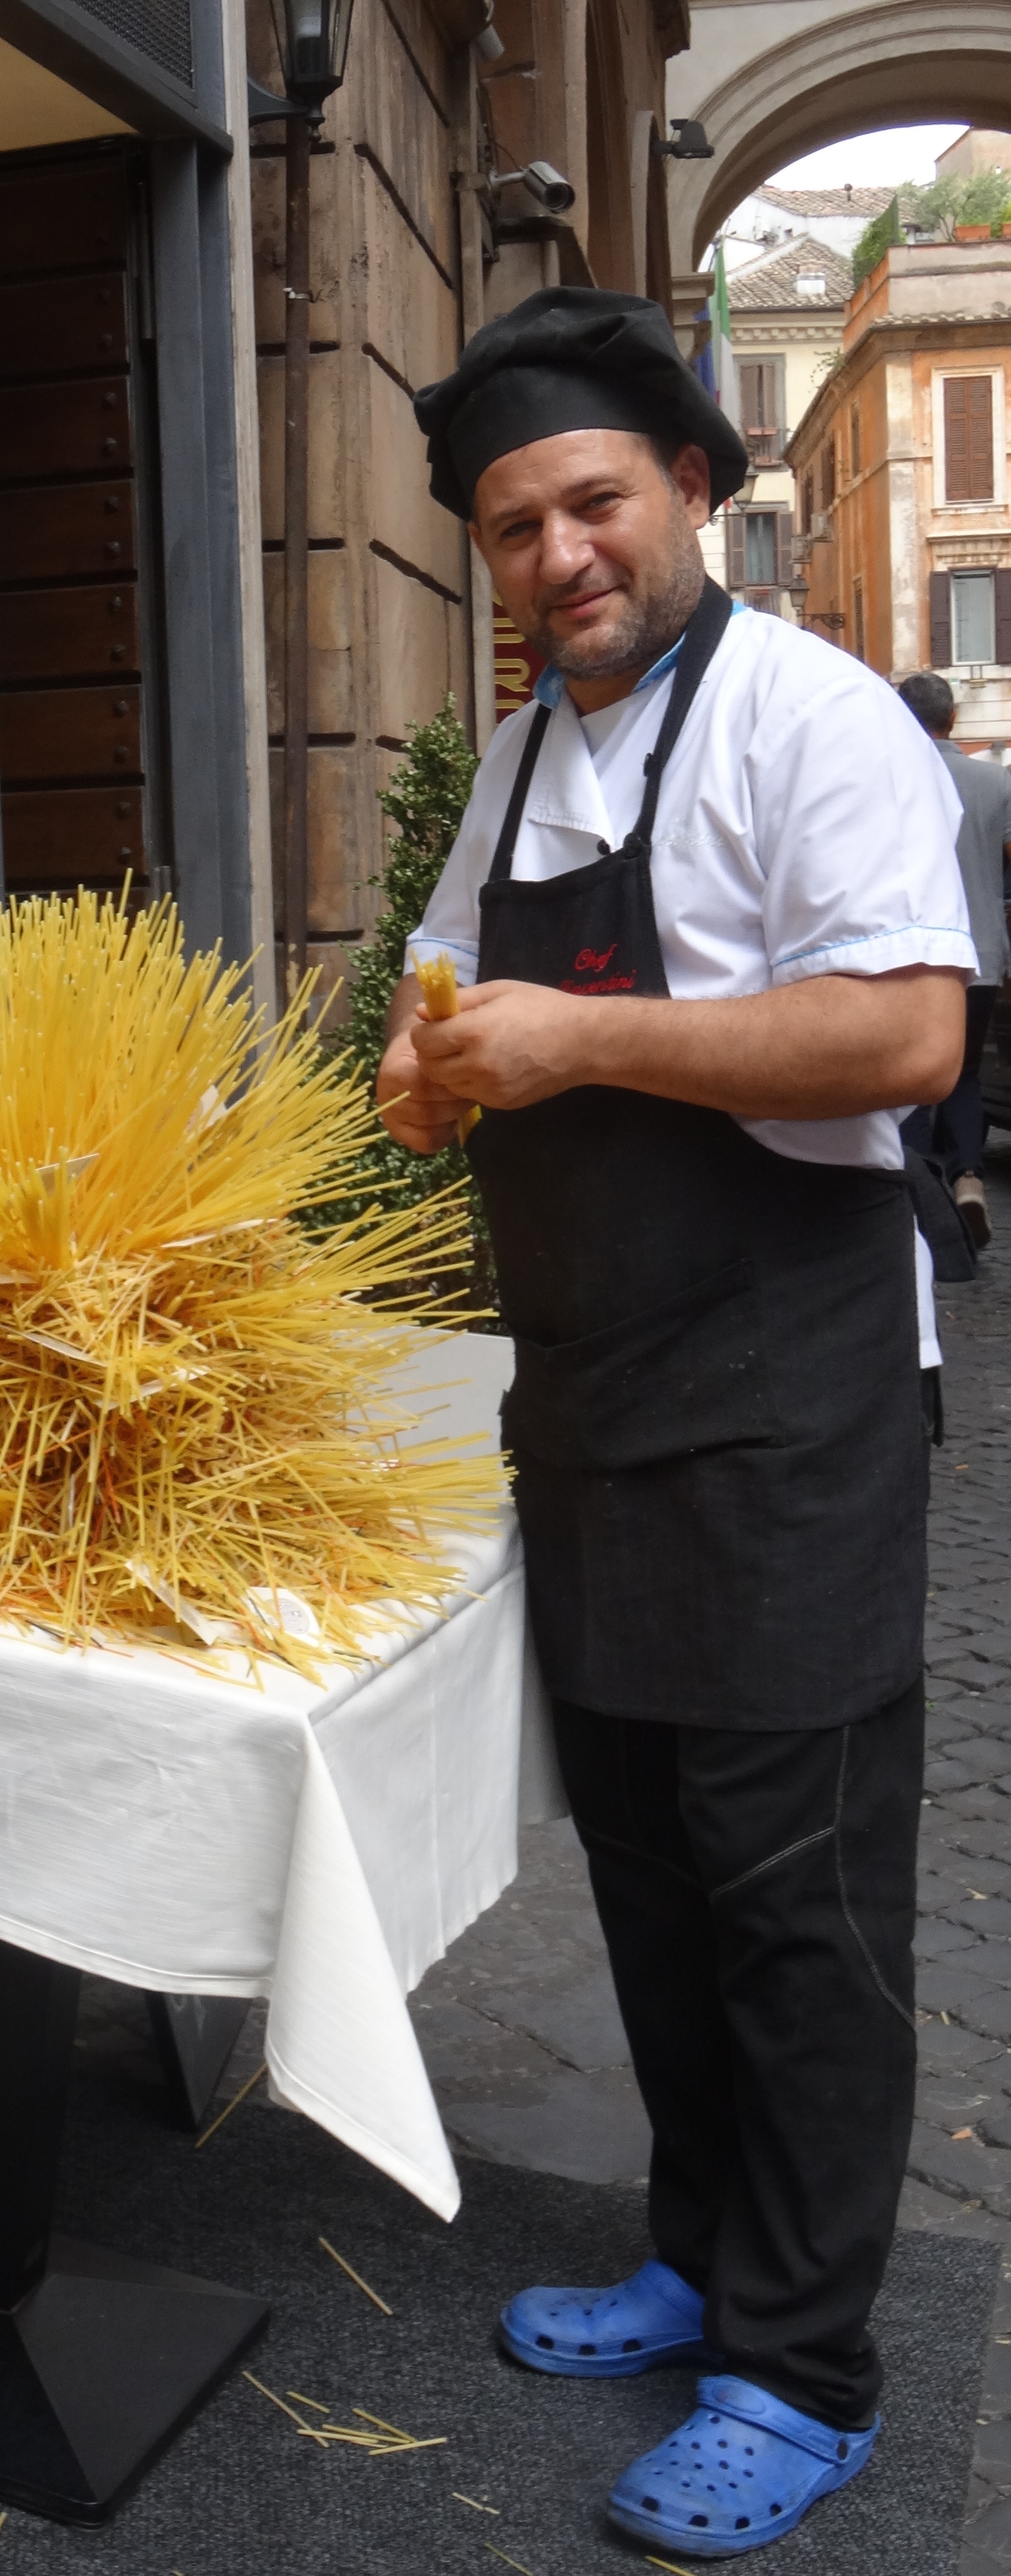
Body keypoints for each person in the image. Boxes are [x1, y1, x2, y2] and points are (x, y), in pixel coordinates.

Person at [378, 286, 974, 2561]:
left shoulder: (813, 720)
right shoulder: (521, 757)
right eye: (512, 527)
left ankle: (802, 2363)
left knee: (795, 1899)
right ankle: (701, 2254)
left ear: (693, 489)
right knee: (648, 1873)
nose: (556, 556)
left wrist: (584, 1040)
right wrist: (425, 1068)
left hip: (790, 1401)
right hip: (595, 1395)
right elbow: (447, 994)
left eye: (592, 502)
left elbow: (904, 1034)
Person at [894, 669, 1011, 1246]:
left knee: (909, 1073)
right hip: (981, 949)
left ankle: (919, 1198)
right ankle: (968, 1178)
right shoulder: (995, 782)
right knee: (961, 1071)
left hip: (912, 952)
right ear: (954, 719)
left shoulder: (889, 778)